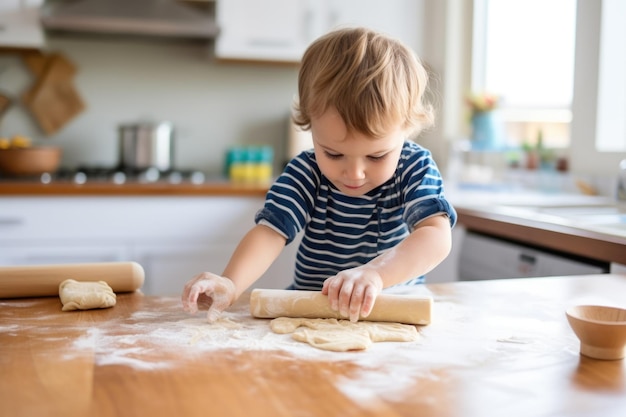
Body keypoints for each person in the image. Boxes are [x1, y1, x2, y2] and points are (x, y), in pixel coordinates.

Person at [182, 26, 457, 323]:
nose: (355, 173)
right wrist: (232, 283)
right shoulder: (307, 172)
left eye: (377, 156)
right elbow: (271, 232)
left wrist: (375, 274)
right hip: (313, 309)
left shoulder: (414, 166)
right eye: (334, 154)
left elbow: (435, 235)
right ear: (310, 124)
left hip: (393, 307)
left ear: (407, 128)